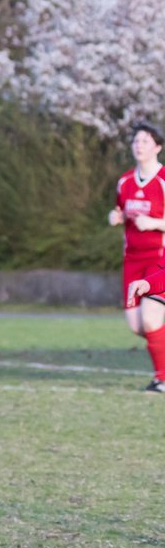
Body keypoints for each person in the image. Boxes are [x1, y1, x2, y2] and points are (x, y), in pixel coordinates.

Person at [110, 121, 165, 392]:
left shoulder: (164, 180)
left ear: (157, 147)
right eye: (136, 141)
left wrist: (155, 224)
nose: (139, 145)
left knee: (152, 318)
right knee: (137, 325)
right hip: (132, 260)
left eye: (145, 141)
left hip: (159, 259)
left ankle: (161, 379)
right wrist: (115, 217)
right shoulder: (125, 181)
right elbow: (120, 210)